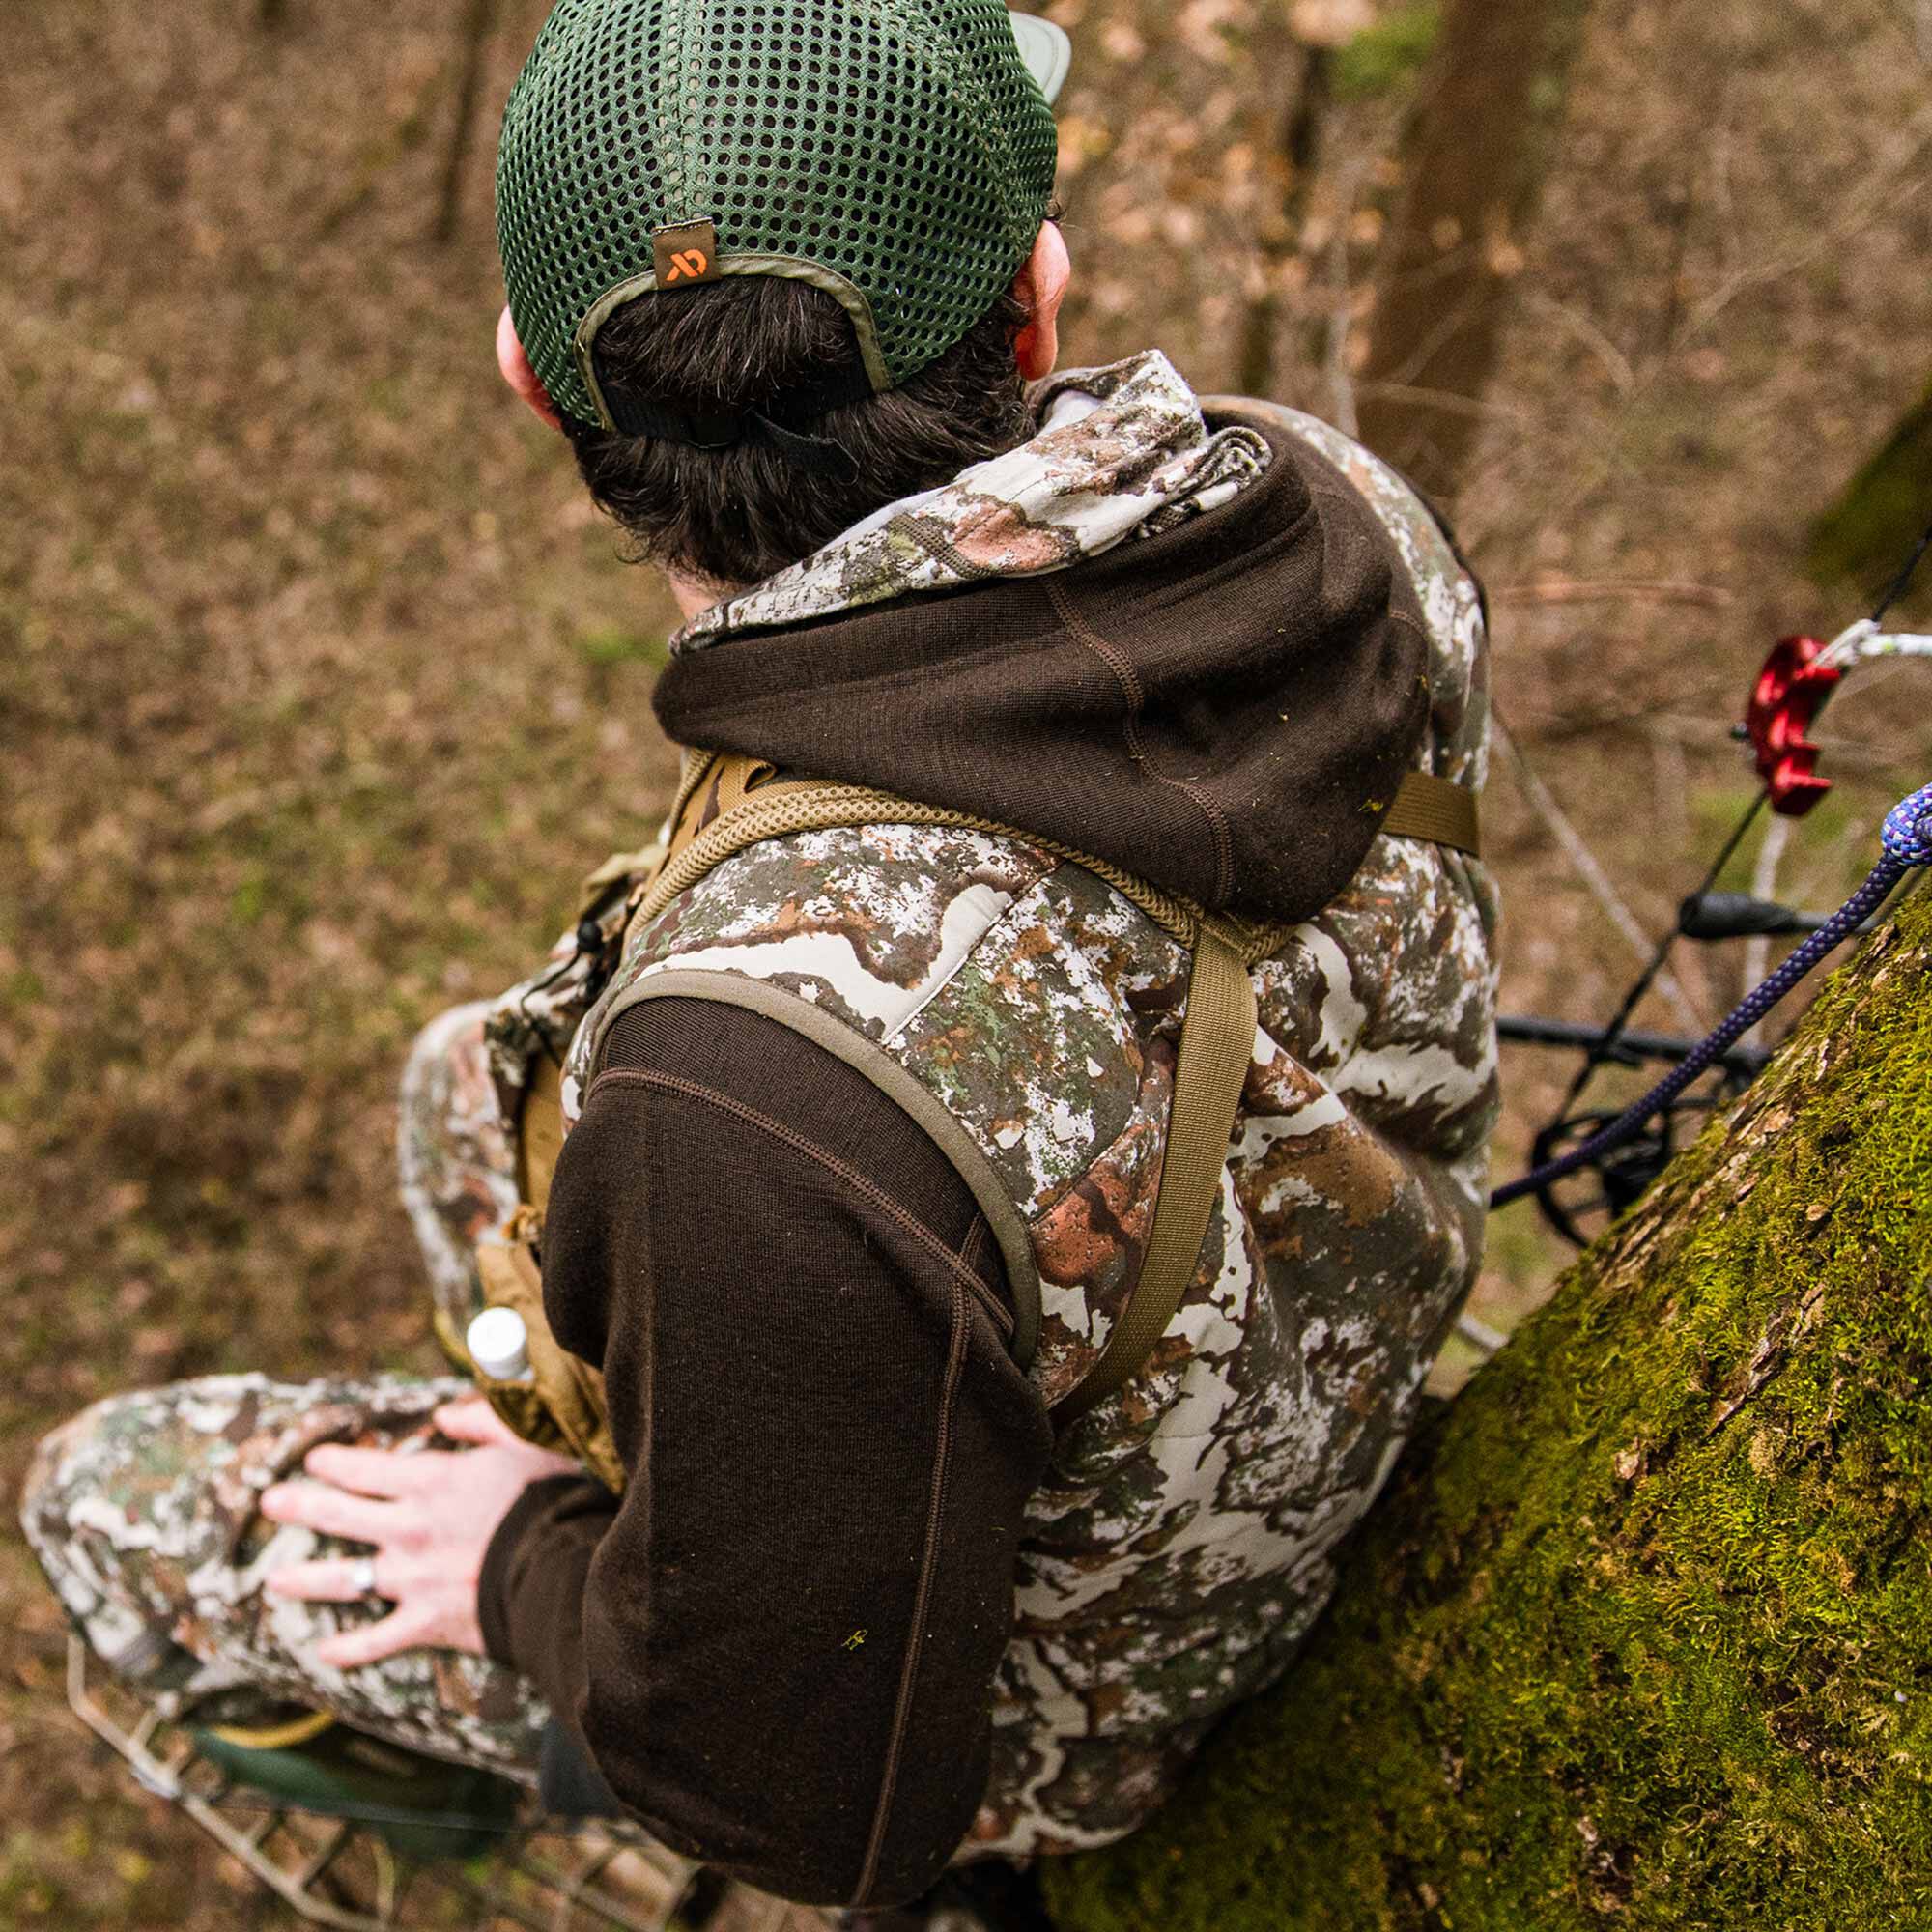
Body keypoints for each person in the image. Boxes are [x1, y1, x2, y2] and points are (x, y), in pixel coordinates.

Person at [20, 0, 1500, 1922]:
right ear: (1036, 312)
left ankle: (535, 1733)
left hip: (1069, 1706)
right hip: (1309, 1332)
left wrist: (525, 1568)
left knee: (100, 1491)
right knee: (455, 1082)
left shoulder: (752, 1084)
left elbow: (801, 1798)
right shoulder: (1318, 501)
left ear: (534, 393)